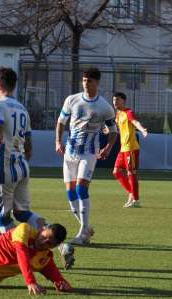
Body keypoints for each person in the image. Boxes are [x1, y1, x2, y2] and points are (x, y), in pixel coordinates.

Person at [0, 67, 44, 233]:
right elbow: (29, 148)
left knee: (1, 217)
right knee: (22, 213)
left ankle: (18, 253)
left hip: (3, 170)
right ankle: (58, 242)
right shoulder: (23, 109)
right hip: (22, 167)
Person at [56, 67, 117, 245]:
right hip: (70, 151)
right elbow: (61, 122)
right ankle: (86, 227)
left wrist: (108, 147)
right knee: (70, 194)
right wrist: (57, 141)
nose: (85, 83)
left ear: (97, 83)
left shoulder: (105, 107)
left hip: (89, 152)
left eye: (89, 80)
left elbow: (113, 131)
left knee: (81, 189)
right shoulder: (72, 100)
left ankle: (82, 234)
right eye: (84, 80)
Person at [112, 92, 148, 208]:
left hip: (131, 148)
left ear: (123, 101)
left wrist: (142, 130)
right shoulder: (118, 114)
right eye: (113, 100)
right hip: (123, 149)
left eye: (117, 100)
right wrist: (108, 131)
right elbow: (118, 129)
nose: (115, 102)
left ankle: (136, 200)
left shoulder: (129, 112)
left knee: (131, 173)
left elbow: (135, 122)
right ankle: (132, 193)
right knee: (116, 172)